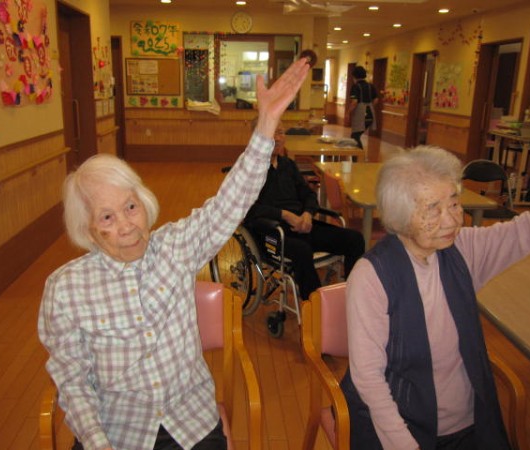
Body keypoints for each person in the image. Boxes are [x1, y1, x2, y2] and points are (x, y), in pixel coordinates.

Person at [37, 57, 310, 450]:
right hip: (119, 432)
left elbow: (230, 202)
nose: (127, 226)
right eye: (107, 217)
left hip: (190, 421)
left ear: (144, 203)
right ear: (88, 229)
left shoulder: (174, 248)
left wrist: (266, 125)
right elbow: (73, 381)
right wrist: (98, 443)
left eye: (131, 207)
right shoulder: (66, 289)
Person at [341, 145, 530, 450]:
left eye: (455, 204)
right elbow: (368, 378)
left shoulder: (464, 249)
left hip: (472, 422)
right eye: (433, 209)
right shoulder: (371, 276)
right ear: (400, 215)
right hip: (401, 426)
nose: (452, 221)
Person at [243, 123, 365, 301]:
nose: (277, 138)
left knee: (355, 239)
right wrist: (285, 215)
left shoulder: (288, 165)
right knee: (302, 250)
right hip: (271, 234)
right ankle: (316, 306)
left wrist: (307, 214)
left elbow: (308, 194)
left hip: (302, 226)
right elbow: (248, 208)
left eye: (280, 132)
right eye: (271, 133)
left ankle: (353, 298)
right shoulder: (248, 169)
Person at [346, 65, 378, 149]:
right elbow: (376, 100)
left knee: (355, 136)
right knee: (356, 136)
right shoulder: (371, 86)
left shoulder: (355, 86)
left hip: (360, 114)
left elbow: (354, 102)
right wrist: (369, 106)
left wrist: (348, 113)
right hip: (370, 114)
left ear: (354, 76)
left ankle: (359, 155)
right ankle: (357, 155)